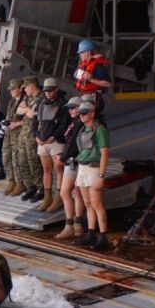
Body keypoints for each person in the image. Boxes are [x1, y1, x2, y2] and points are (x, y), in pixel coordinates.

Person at [72, 101, 110, 250]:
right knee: (88, 203)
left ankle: (103, 236)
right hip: (82, 166)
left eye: (84, 113)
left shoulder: (99, 130)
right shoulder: (83, 129)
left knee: (96, 204)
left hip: (93, 168)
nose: (81, 115)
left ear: (92, 113)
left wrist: (101, 175)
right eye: (80, 113)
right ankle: (91, 233)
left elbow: (104, 153)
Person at [33, 77, 69, 212]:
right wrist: (36, 135)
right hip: (42, 141)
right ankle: (47, 197)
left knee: (59, 168)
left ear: (56, 89)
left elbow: (64, 124)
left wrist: (53, 137)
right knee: (46, 169)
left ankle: (59, 197)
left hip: (55, 141)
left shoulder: (63, 104)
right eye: (45, 91)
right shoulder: (41, 103)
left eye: (50, 91)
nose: (47, 93)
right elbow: (35, 121)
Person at [55, 96, 87, 240]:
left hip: (73, 162)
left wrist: (62, 158)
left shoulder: (78, 124)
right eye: (70, 108)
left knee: (65, 192)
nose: (71, 110)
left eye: (74, 107)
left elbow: (72, 144)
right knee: (76, 193)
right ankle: (77, 225)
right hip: (78, 161)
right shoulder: (79, 123)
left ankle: (70, 226)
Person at [17, 77, 45, 202]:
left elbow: (32, 114)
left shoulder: (41, 98)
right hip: (24, 135)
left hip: (33, 136)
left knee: (34, 163)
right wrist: (27, 109)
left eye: (26, 87)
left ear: (32, 86)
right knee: (22, 161)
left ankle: (40, 188)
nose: (24, 90)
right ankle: (30, 187)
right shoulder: (28, 98)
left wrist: (26, 110)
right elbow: (19, 110)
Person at [1, 79, 26, 196]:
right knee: (6, 157)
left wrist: (15, 124)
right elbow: (8, 115)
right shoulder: (12, 101)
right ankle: (11, 180)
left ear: (20, 88)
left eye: (13, 89)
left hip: (18, 133)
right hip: (9, 133)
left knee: (16, 159)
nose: (11, 91)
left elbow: (29, 119)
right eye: (10, 89)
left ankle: (20, 183)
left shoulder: (25, 101)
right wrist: (5, 122)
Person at [73, 39, 112, 117]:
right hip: (83, 97)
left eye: (81, 52)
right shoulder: (84, 65)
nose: (79, 54)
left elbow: (108, 84)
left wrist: (91, 79)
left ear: (88, 52)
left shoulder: (97, 66)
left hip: (93, 99)